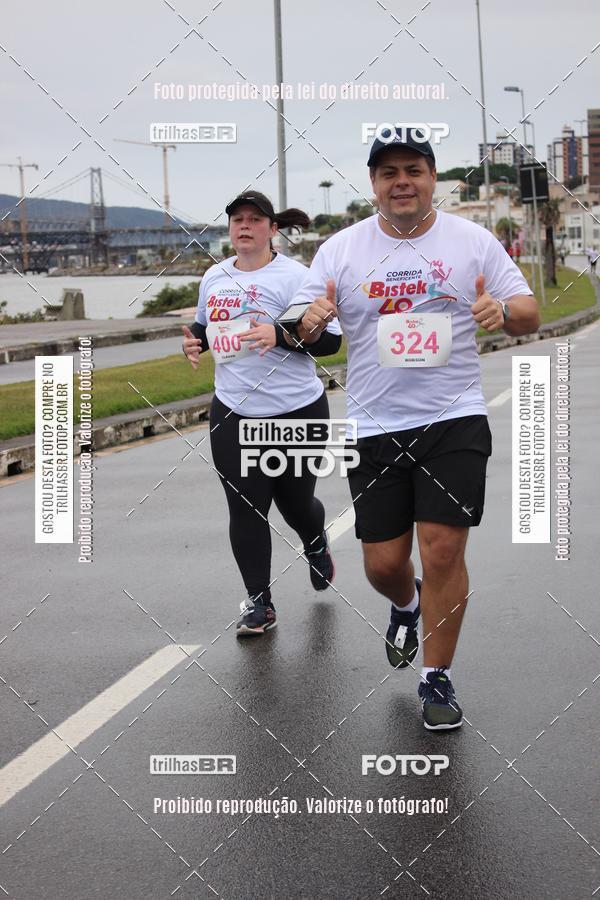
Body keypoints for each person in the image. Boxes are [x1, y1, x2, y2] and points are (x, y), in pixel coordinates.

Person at [292, 128, 540, 729]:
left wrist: (501, 312)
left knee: (445, 548)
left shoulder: (471, 241)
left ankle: (437, 678)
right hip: (376, 426)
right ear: (374, 184)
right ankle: (406, 605)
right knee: (382, 563)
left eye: (414, 169)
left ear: (432, 178)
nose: (401, 181)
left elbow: (530, 312)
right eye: (388, 172)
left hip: (453, 418)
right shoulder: (342, 250)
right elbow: (306, 332)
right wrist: (312, 319)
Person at [182, 192, 342, 635]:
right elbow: (205, 327)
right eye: (237, 220)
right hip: (233, 412)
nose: (245, 226)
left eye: (255, 219)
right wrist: (195, 341)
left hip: (295, 411)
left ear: (273, 230)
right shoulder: (214, 276)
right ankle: (259, 603)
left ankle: (314, 540)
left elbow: (329, 343)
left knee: (295, 504)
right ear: (229, 229)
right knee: (247, 508)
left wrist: (283, 336)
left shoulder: (296, 278)